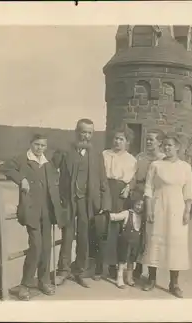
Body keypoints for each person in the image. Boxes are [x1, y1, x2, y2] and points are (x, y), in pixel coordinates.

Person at [0, 134, 67, 301]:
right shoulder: (22, 159)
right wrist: (21, 179)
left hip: (47, 211)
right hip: (31, 211)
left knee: (46, 247)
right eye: (37, 144)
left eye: (43, 145)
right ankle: (25, 284)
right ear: (31, 144)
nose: (39, 148)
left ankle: (43, 281)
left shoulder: (47, 162)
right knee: (36, 246)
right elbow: (3, 167)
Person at [51, 118, 112, 288]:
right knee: (67, 235)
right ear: (76, 131)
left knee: (84, 237)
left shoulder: (96, 154)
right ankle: (63, 271)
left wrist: (105, 203)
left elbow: (102, 179)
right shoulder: (64, 151)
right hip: (69, 200)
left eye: (89, 133)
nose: (86, 136)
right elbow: (49, 169)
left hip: (88, 201)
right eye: (83, 132)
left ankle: (79, 270)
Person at [141, 133, 192, 298]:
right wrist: (149, 209)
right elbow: (148, 189)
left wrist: (187, 211)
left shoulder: (185, 167)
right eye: (164, 145)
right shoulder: (156, 165)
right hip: (158, 206)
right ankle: (151, 279)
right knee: (154, 241)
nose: (166, 148)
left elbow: (188, 192)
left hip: (177, 209)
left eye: (170, 145)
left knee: (176, 244)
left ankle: (174, 283)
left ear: (177, 147)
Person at [98, 126, 137, 281]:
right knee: (101, 224)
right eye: (116, 138)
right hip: (104, 188)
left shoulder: (131, 160)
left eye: (121, 139)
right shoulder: (104, 155)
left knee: (116, 228)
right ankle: (98, 265)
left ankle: (114, 265)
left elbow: (133, 178)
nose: (117, 142)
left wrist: (128, 187)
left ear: (127, 142)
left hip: (120, 193)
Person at [130, 129, 166, 280]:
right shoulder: (140, 157)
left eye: (152, 139)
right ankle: (137, 267)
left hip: (154, 198)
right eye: (147, 139)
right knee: (138, 231)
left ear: (160, 142)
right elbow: (133, 176)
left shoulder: (163, 159)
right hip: (139, 194)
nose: (149, 142)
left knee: (152, 235)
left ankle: (152, 274)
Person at [106, 191, 146, 289]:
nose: (139, 207)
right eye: (137, 204)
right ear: (133, 203)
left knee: (131, 261)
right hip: (125, 241)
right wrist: (107, 214)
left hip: (135, 243)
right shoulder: (127, 213)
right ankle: (119, 278)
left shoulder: (142, 217)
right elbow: (115, 217)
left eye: (141, 205)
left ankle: (129, 278)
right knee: (122, 260)